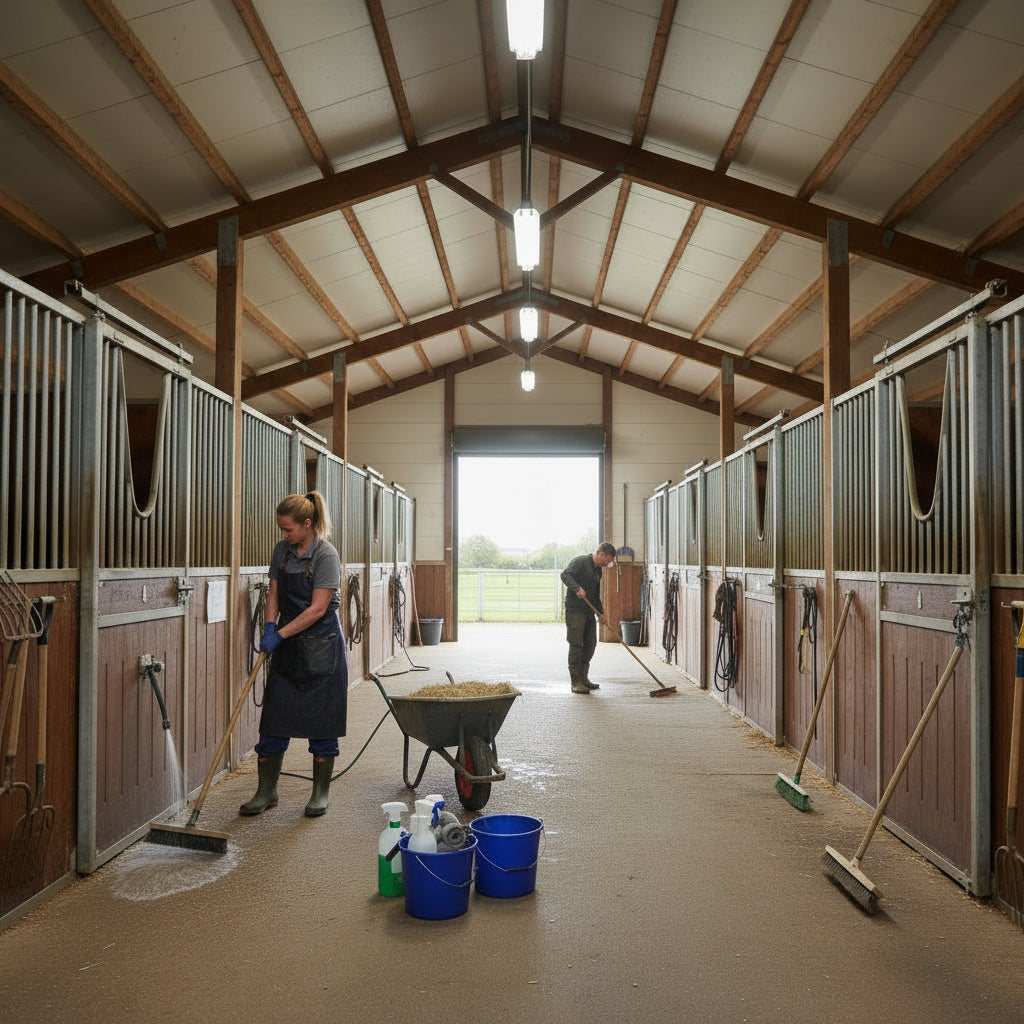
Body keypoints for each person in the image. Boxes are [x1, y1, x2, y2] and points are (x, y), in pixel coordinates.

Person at [240, 491, 348, 818]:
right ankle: (266, 790)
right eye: (281, 529)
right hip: (288, 644)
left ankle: (319, 793)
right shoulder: (282, 551)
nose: (283, 535)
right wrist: (269, 625)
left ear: (307, 524)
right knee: (273, 721)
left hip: (322, 644)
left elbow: (317, 609)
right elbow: (273, 591)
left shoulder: (326, 555)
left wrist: (280, 634)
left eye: (288, 529)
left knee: (323, 724)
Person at [560, 542, 616, 694]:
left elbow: (596, 594)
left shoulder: (598, 570)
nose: (608, 564)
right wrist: (577, 588)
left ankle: (584, 679)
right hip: (575, 610)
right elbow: (565, 575)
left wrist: (601, 612)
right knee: (576, 644)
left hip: (589, 611)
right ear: (601, 554)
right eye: (608, 560)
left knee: (590, 644)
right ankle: (576, 682)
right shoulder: (580, 561)